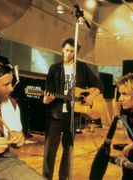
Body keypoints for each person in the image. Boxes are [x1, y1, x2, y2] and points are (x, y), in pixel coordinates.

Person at [42, 37, 104, 180]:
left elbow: (100, 85)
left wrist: (92, 95)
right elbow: (48, 91)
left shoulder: (82, 68)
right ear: (62, 50)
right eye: (67, 50)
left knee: (68, 151)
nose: (69, 54)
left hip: (72, 115)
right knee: (50, 151)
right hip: (55, 114)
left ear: (76, 53)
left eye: (72, 51)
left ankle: (63, 177)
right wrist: (47, 99)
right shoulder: (54, 68)